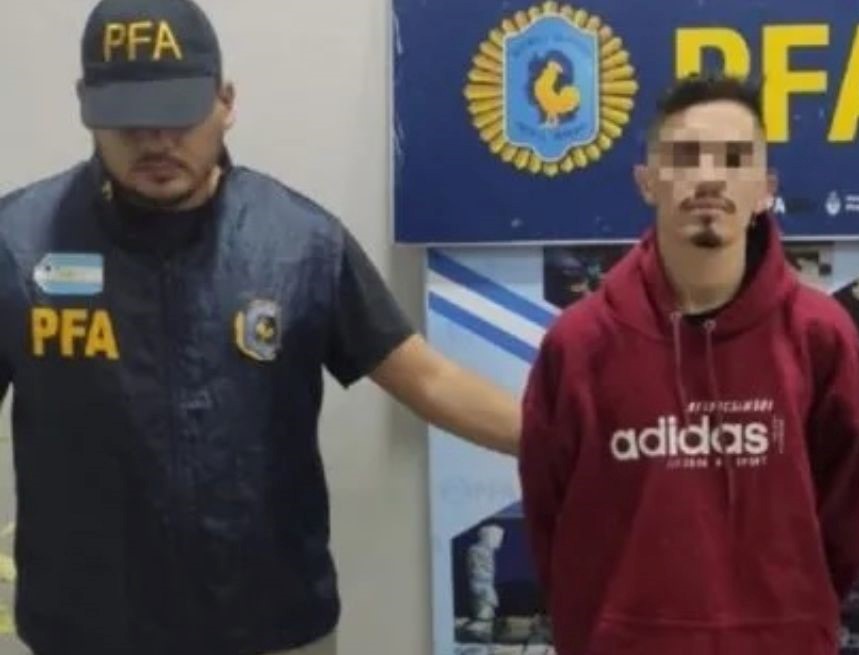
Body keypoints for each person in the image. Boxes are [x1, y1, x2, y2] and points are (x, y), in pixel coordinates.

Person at [0, 0, 520, 653]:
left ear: (226, 102)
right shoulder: (17, 244)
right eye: (128, 118)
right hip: (87, 630)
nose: (155, 140)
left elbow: (429, 378)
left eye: (177, 113)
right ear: (84, 103)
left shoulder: (300, 242)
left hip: (273, 626)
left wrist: (584, 443)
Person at [518, 73, 859, 655]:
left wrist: (787, 621)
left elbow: (851, 517)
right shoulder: (580, 343)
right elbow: (550, 519)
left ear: (765, 189)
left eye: (735, 159)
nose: (710, 177)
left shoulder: (821, 336)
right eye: (685, 157)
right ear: (647, 182)